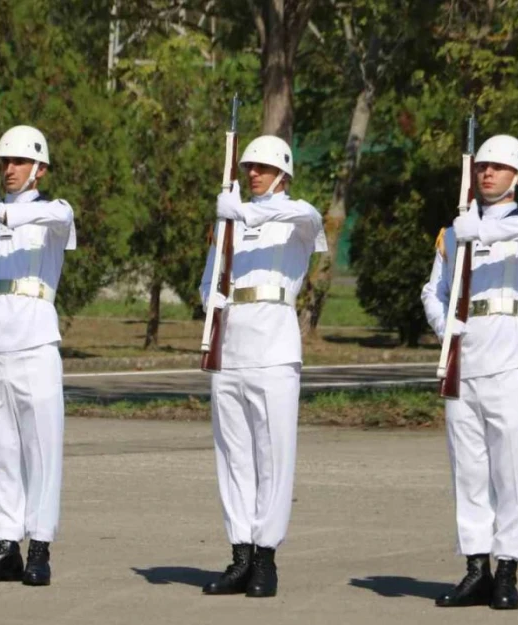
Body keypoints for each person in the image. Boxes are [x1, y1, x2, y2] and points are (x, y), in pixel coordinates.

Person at [420, 134, 518, 611]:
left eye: (498, 168)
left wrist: (481, 231)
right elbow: (432, 292)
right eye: (482, 167)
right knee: (470, 469)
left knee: (512, 469)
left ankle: (507, 570)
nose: (488, 174)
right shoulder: (454, 232)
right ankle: (476, 567)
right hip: (463, 355)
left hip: (509, 356)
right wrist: (447, 328)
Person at [198, 135, 327, 598]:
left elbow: (309, 217)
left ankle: (266, 558)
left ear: (283, 175)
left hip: (274, 343)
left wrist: (242, 213)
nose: (253, 173)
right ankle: (240, 554)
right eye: (249, 166)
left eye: (263, 168)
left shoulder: (296, 218)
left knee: (273, 455)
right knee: (234, 456)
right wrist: (210, 299)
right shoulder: (230, 220)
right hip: (231, 342)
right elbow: (209, 277)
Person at [0, 125, 75, 587]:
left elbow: (60, 219)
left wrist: (2, 217)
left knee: (41, 448)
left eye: (18, 162)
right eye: (4, 162)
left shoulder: (51, 213)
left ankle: (39, 547)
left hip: (35, 342)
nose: (8, 169)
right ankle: (6, 543)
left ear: (39, 169)